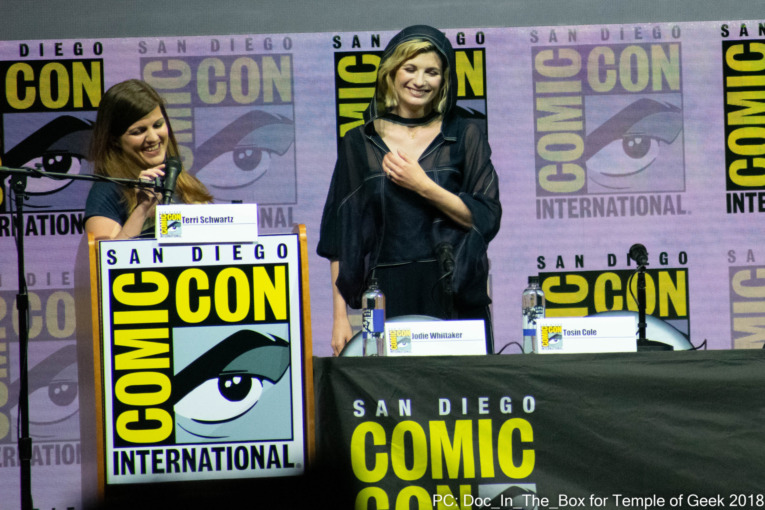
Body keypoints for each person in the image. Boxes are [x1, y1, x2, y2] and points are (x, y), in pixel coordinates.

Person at [317, 25, 502, 356]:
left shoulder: (466, 134)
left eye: (432, 72)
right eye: (411, 69)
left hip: (455, 291)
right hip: (387, 294)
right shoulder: (359, 143)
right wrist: (340, 318)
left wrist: (422, 185)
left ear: (444, 80)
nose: (420, 81)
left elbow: (486, 217)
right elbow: (340, 239)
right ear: (391, 72)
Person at [85, 79, 212, 239]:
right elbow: (105, 260)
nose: (153, 137)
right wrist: (142, 209)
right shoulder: (105, 193)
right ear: (114, 140)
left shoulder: (185, 184)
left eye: (158, 125)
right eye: (139, 131)